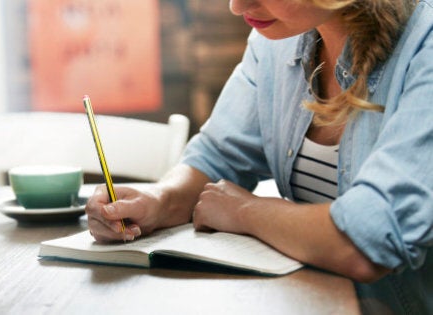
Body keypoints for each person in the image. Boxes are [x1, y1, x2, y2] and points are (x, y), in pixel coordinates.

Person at [85, 0, 432, 313]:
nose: (237, 6)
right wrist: (158, 200)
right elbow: (217, 158)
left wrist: (245, 211)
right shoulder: (278, 41)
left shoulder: (424, 45)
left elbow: (368, 241)